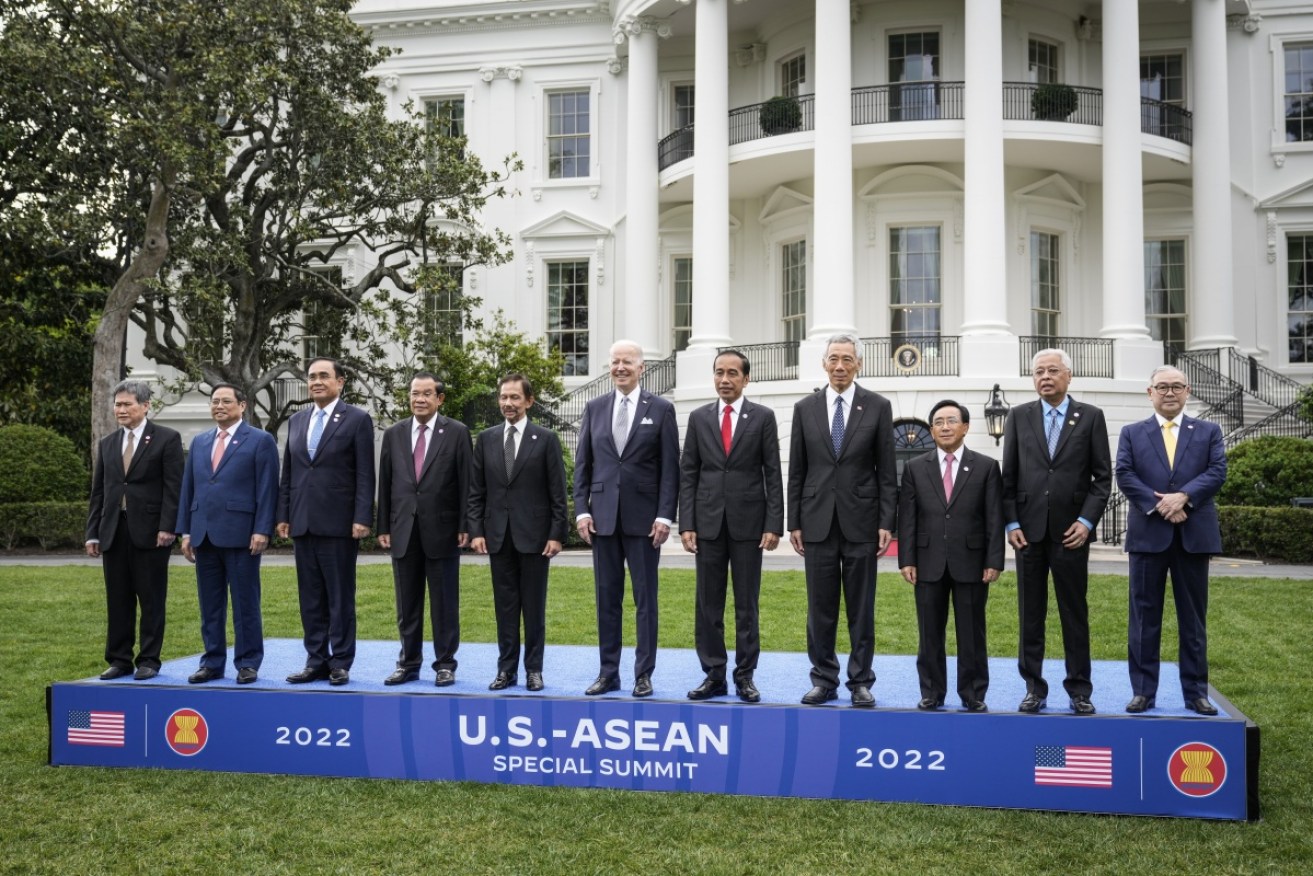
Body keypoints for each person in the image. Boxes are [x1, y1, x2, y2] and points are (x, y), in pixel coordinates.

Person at [788, 333, 896, 707]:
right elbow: (797, 471)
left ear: (859, 364)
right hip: (816, 522)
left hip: (862, 523)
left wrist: (886, 521)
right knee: (820, 608)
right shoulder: (805, 408)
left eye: (847, 359)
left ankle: (860, 681)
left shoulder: (878, 407)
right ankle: (823, 679)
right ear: (823, 363)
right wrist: (794, 522)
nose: (840, 366)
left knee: (860, 607)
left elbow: (886, 471)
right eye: (833, 359)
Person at [1002, 348, 1111, 715]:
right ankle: (1034, 687)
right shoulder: (1018, 417)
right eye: (1038, 372)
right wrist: (1012, 523)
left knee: (1073, 613)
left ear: (1068, 375)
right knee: (1030, 615)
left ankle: (1079, 690)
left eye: (1052, 370)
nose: (1045, 377)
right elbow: (1009, 478)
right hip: (1028, 535)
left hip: (1071, 534)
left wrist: (1086, 521)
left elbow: (1102, 479)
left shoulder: (1091, 417)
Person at [1116, 366, 1227, 715]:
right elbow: (1124, 472)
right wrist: (1161, 504)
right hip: (1149, 536)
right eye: (1161, 387)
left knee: (1193, 620)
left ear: (1187, 391)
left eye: (1176, 386)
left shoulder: (1208, 431)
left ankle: (1196, 693)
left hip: (1193, 536)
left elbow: (1216, 471)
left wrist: (1184, 498)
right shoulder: (1132, 432)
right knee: (1144, 618)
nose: (1169, 392)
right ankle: (1143, 692)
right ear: (1149, 392)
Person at [574, 339, 679, 697]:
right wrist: (582, 510)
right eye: (615, 361)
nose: (620, 367)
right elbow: (583, 465)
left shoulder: (661, 409)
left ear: (641, 367)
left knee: (645, 599)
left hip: (645, 520)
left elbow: (670, 470)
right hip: (602, 519)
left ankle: (643, 674)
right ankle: (608, 673)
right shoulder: (595, 408)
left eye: (628, 362)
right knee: (607, 598)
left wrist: (666, 515)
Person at [678, 350, 783, 703]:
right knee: (707, 605)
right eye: (719, 372)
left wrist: (773, 523)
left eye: (732, 373)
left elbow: (773, 472)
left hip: (749, 526)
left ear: (746, 378)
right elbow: (689, 472)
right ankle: (713, 675)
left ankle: (745, 676)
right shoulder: (698, 417)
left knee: (745, 605)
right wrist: (687, 522)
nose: (725, 379)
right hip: (707, 525)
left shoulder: (763, 418)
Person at [898, 400, 1004, 712]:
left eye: (951, 421)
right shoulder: (915, 468)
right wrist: (907, 559)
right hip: (928, 563)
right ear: (931, 430)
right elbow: (907, 518)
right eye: (939, 422)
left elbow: (994, 517)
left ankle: (973, 693)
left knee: (972, 632)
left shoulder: (986, 467)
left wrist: (994, 560)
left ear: (965, 427)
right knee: (929, 633)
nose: (945, 427)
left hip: (972, 563)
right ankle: (932, 692)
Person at [277, 357, 375, 686]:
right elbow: (289, 472)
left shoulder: (358, 419)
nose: (317, 381)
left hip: (340, 523)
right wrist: (284, 514)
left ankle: (341, 662)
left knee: (339, 597)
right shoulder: (298, 420)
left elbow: (365, 473)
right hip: (303, 522)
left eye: (324, 376)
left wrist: (362, 517)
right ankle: (315, 659)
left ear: (340, 382)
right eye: (312, 376)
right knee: (311, 598)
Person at [468, 373, 568, 691]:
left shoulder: (546, 439)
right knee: (505, 607)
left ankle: (533, 670)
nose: (508, 403)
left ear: (529, 401)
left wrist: (556, 534)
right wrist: (477, 530)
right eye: (503, 397)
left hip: (536, 538)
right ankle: (506, 669)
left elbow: (557, 492)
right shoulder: (486, 439)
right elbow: (476, 491)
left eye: (514, 397)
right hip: (498, 537)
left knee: (534, 607)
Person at [176, 383, 280, 684]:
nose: (219, 406)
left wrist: (262, 529)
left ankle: (247, 663)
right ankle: (212, 662)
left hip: (242, 534)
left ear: (242, 405)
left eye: (225, 401)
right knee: (210, 605)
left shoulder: (260, 441)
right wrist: (185, 531)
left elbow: (267, 488)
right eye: (214, 401)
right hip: (204, 534)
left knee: (245, 602)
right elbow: (189, 489)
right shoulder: (199, 442)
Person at [85, 379, 183, 680]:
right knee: (118, 598)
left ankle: (149, 660)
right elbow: (99, 491)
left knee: (151, 599)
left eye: (127, 404)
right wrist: (93, 532)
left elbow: (173, 488)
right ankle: (119, 659)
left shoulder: (167, 439)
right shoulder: (108, 443)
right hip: (114, 531)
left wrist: (168, 527)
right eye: (117, 404)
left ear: (145, 405)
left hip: (152, 533)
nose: (121, 409)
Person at [376, 372, 470, 687]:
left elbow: (465, 483)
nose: (419, 399)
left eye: (427, 393)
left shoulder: (457, 432)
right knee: (407, 603)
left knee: (444, 603)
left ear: (439, 398)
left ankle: (445, 664)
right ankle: (408, 663)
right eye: (415, 393)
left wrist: (464, 525)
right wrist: (384, 526)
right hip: (403, 530)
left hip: (443, 530)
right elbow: (385, 483)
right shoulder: (394, 433)